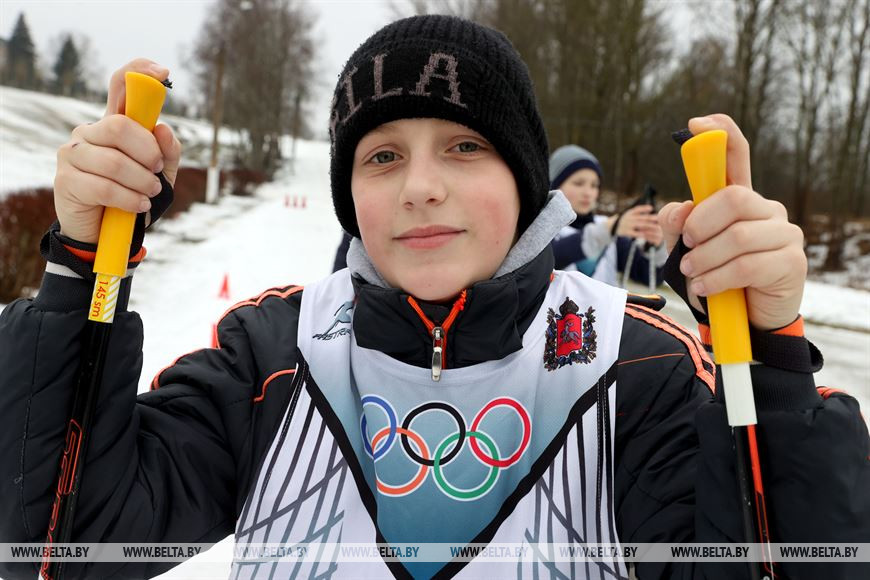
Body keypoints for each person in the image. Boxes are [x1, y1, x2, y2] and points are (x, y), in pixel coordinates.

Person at [0, 15, 867, 580]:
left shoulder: (636, 368)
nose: (420, 187)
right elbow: (58, 547)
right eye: (382, 156)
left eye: (464, 147)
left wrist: (770, 359)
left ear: (523, 181)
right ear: (351, 195)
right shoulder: (272, 353)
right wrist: (81, 272)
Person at [549, 145, 668, 288]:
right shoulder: (543, 228)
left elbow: (649, 276)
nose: (588, 193)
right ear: (555, 186)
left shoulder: (609, 228)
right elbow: (553, 257)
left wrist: (657, 246)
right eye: (579, 183)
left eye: (594, 185)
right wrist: (607, 230)